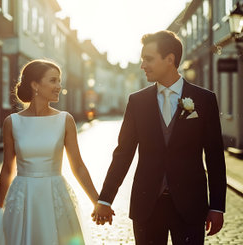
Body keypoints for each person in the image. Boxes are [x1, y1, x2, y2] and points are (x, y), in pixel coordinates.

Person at [92, 30, 227, 244]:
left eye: (148, 59)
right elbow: (123, 153)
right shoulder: (137, 102)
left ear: (170, 59)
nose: (142, 65)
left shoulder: (204, 100)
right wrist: (105, 199)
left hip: (190, 205)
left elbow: (215, 157)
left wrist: (217, 206)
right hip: (147, 205)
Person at [0, 59, 104, 245]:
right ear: (35, 85)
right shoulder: (12, 122)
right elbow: (7, 169)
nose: (59, 86)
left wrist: (97, 201)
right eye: (53, 80)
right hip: (22, 198)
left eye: (59, 81)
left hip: (54, 196)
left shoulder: (65, 120)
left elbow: (78, 166)